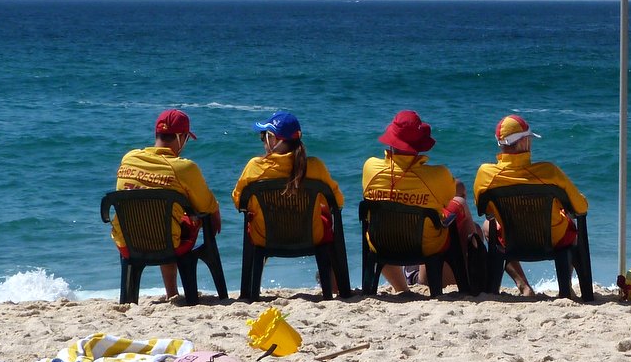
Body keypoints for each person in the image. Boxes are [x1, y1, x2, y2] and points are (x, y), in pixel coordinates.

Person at [473, 115, 590, 297]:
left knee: (489, 227)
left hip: (511, 241)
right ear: (522, 142)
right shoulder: (549, 172)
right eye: (529, 139)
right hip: (552, 241)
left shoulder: (485, 174)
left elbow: (483, 210)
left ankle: (522, 285)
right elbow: (581, 208)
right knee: (570, 224)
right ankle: (566, 287)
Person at [111, 108, 221, 300]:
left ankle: (170, 292)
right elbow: (207, 207)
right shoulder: (184, 167)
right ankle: (183, 289)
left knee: (160, 219)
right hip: (168, 244)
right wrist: (213, 219)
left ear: (157, 133)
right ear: (181, 137)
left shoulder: (129, 158)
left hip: (127, 244)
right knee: (177, 223)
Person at [360, 110, 476, 292]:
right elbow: (449, 197)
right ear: (420, 144)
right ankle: (467, 277)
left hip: (381, 243)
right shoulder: (438, 175)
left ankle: (402, 288)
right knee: (458, 203)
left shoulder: (370, 168)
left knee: (383, 224)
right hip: (425, 247)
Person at [232, 110, 345, 248]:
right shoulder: (315, 166)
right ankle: (327, 263)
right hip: (310, 237)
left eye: (264, 136)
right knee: (325, 216)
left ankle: (256, 262)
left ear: (274, 139)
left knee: (255, 220)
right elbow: (338, 202)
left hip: (265, 238)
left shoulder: (255, 167)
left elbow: (239, 202)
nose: (263, 140)